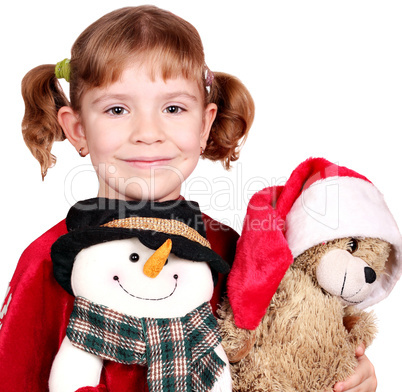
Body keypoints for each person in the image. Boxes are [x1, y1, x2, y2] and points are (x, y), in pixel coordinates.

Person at [0, 5, 376, 392]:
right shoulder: (44, 262)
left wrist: (350, 374)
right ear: (78, 129)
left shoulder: (236, 252)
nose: (148, 132)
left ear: (205, 124)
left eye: (174, 108)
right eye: (117, 109)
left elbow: (281, 361)